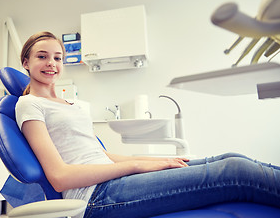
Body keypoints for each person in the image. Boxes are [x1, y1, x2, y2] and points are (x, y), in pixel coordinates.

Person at [15, 31, 280, 218]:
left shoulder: (71, 105)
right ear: (26, 63)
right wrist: (136, 166)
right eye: (42, 56)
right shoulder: (29, 104)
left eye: (58, 57)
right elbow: (59, 178)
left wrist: (154, 161)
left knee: (230, 157)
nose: (51, 63)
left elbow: (102, 156)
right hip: (97, 198)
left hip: (115, 180)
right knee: (234, 171)